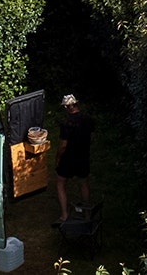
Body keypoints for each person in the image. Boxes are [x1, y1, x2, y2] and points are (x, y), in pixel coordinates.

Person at [54, 93, 94, 224]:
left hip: (69, 158)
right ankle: (87, 214)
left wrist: (58, 157)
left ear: (66, 107)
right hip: (83, 156)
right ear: (76, 104)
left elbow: (63, 145)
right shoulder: (87, 119)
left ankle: (64, 215)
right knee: (83, 183)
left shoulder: (67, 123)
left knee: (60, 182)